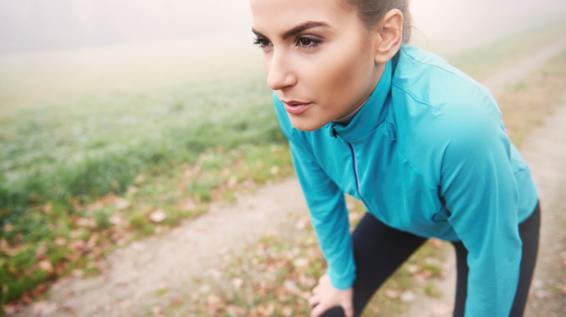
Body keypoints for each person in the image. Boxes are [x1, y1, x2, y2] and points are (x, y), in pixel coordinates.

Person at [248, 0, 541, 316]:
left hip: (495, 223)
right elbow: (322, 200)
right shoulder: (295, 106)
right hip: (402, 208)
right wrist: (339, 276)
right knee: (331, 309)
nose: (275, 80)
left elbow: (493, 256)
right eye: (264, 42)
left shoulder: (460, 126)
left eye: (307, 41)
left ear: (386, 35)